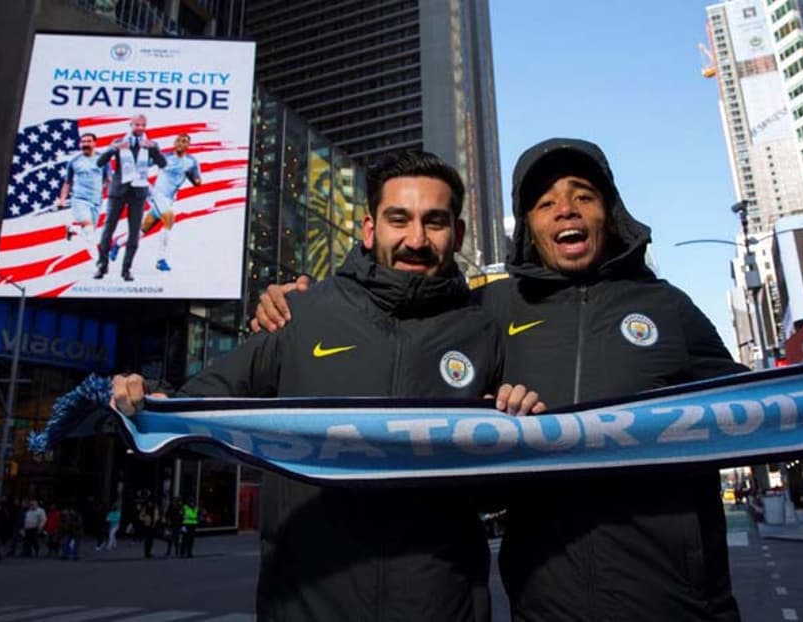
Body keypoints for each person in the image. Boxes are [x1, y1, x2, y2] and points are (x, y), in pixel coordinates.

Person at [252, 139, 748, 621]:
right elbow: (400, 323)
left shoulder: (669, 307)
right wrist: (296, 304)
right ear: (529, 225)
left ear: (608, 213)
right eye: (545, 202)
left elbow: (758, 413)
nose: (566, 210)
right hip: (545, 603)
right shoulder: (487, 311)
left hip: (675, 600)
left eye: (583, 196)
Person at [111, 150, 544, 621]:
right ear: (369, 228)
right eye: (398, 219)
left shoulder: (482, 331)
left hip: (442, 606)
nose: (416, 239)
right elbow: (200, 405)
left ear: (456, 233)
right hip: (308, 605)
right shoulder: (301, 314)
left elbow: (498, 487)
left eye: (434, 222)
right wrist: (144, 397)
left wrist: (517, 426)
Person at [107, 133, 201, 272]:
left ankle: (117, 244)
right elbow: (143, 164)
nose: (182, 143)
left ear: (188, 145)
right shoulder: (164, 157)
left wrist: (195, 179)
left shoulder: (191, 161)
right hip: (155, 194)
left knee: (144, 229)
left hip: (169, 199)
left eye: (185, 141)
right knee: (169, 218)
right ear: (174, 143)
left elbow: (197, 180)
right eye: (179, 141)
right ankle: (160, 260)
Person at [95, 114, 167, 281]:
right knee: (108, 229)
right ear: (130, 124)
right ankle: (102, 265)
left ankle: (126, 269)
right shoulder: (118, 141)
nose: (140, 128)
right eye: (137, 125)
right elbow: (99, 162)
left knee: (134, 232)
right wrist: (114, 148)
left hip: (138, 193)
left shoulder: (151, 144)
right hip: (118, 191)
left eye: (143, 125)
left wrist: (153, 148)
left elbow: (163, 164)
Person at [58, 132, 109, 261]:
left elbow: (109, 180)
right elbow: (67, 182)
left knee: (90, 232)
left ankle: (73, 228)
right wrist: (62, 199)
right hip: (79, 200)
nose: (85, 144)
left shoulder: (103, 159)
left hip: (96, 201)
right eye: (83, 141)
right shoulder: (74, 161)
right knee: (89, 232)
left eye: (88, 141)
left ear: (94, 143)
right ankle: (99, 262)